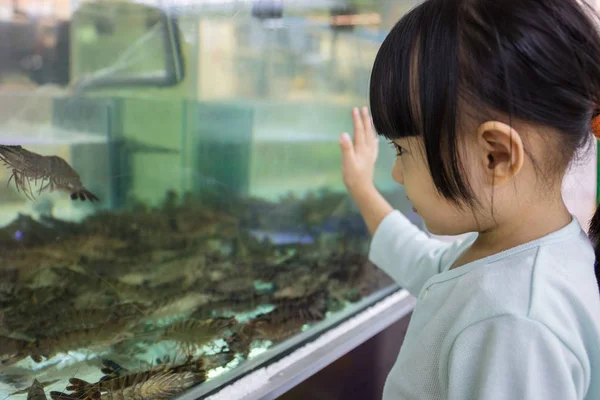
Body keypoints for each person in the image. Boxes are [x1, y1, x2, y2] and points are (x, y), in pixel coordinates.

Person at [338, 0, 600, 399]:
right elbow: (423, 262)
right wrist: (362, 189)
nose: (396, 173)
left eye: (403, 151)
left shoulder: (515, 324)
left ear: (495, 155)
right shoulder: (510, 254)